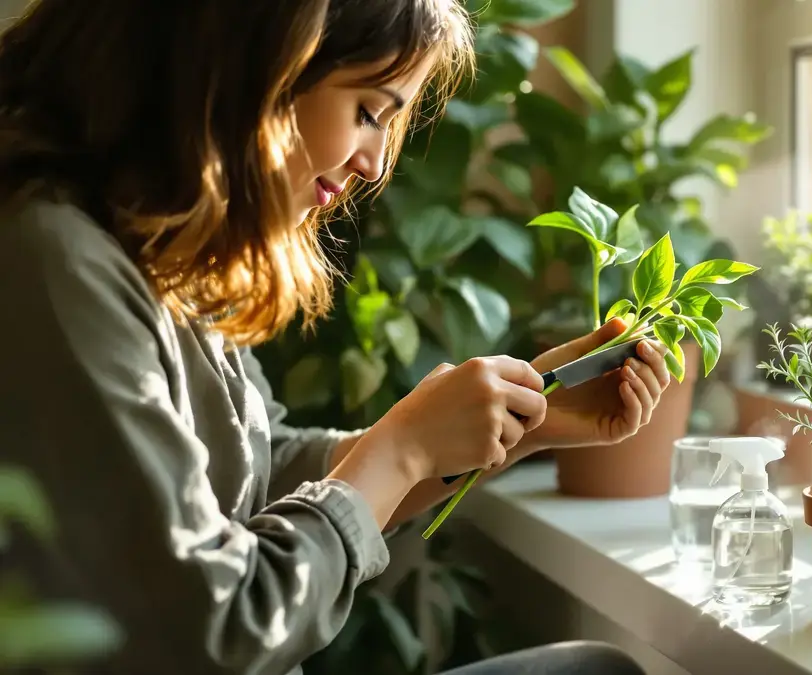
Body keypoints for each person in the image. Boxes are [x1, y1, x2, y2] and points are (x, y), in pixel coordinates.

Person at [0, 1, 669, 673]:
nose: (375, 165)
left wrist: (519, 422)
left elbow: (254, 480)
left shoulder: (162, 246)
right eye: (371, 111)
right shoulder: (53, 261)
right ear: (256, 67)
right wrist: (401, 448)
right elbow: (217, 627)